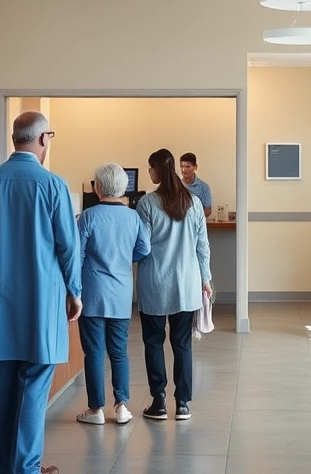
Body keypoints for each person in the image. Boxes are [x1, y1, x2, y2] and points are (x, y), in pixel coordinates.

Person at [0, 111, 81, 474]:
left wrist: (4, 258)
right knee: (34, 387)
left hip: (0, 300)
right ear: (43, 139)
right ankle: (27, 469)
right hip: (42, 301)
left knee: (3, 389)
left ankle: (5, 467)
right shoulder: (53, 185)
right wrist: (74, 290)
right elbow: (68, 246)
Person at [136, 149, 212, 421]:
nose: (149, 172)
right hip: (186, 283)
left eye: (150, 168)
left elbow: (142, 246)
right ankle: (182, 404)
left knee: (153, 342)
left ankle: (159, 401)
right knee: (182, 344)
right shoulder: (193, 202)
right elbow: (202, 246)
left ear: (157, 170)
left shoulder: (146, 204)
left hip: (154, 283)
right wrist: (205, 279)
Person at [75, 163, 151, 427]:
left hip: (92, 293)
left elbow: (77, 255)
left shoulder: (88, 216)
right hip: (121, 293)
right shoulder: (133, 217)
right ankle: (122, 406)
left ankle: (95, 409)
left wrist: (72, 289)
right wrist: (123, 259)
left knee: (94, 353)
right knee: (119, 351)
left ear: (98, 187)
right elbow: (144, 248)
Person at [179, 152, 212, 218]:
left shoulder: (204, 187)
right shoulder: (176, 185)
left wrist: (192, 219)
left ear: (195, 167)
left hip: (197, 222)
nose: (183, 170)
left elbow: (208, 211)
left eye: (187, 167)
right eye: (182, 166)